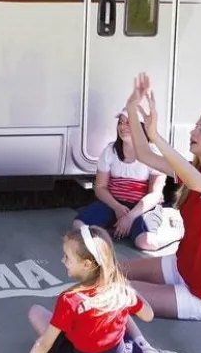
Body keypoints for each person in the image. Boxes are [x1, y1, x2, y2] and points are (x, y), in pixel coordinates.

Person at [119, 72, 201, 320]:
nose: (193, 132)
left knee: (115, 293)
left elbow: (196, 182)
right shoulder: (200, 170)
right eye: (196, 126)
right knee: (113, 271)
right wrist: (132, 107)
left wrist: (156, 136)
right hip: (182, 266)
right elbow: (144, 155)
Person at [3, 225, 180, 353]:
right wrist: (129, 290)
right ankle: (145, 348)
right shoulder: (119, 291)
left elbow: (44, 343)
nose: (63, 261)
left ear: (87, 264)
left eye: (67, 257)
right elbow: (148, 315)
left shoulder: (70, 299)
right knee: (119, 304)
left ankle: (145, 350)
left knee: (35, 312)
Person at [74, 107, 184, 252]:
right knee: (78, 227)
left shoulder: (153, 153)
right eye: (120, 122)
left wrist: (130, 217)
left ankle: (176, 231)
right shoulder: (110, 151)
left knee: (146, 243)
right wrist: (117, 207)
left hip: (142, 208)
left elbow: (155, 194)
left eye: (128, 123)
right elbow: (100, 188)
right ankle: (120, 229)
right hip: (114, 204)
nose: (122, 127)